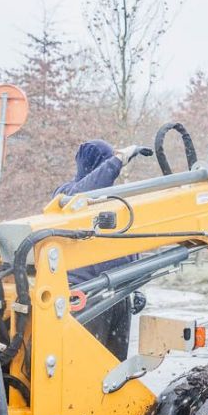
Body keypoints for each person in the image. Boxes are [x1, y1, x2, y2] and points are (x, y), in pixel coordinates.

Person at [53, 140, 152, 359]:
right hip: (86, 296)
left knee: (115, 366)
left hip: (117, 297)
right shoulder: (67, 196)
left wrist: (135, 287)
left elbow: (127, 247)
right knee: (88, 362)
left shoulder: (114, 201)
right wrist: (118, 160)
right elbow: (89, 188)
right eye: (106, 162)